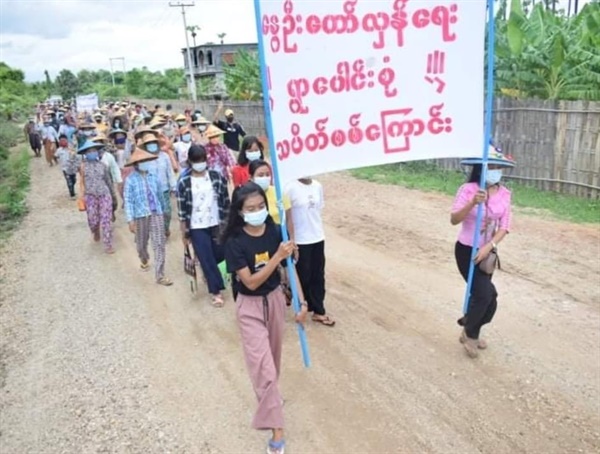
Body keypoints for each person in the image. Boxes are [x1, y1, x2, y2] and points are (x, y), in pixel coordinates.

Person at [222, 182, 308, 454]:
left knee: (273, 360)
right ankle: (277, 430)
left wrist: (301, 301)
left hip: (274, 303)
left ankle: (270, 401)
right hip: (249, 307)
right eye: (250, 208)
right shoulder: (233, 242)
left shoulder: (274, 231)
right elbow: (250, 282)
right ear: (240, 211)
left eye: (261, 207)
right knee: (264, 369)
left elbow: (289, 267)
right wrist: (276, 257)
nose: (257, 211)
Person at [450, 146, 515, 358]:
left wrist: (489, 246)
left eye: (499, 166)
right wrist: (472, 203)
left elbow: (505, 226)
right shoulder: (468, 189)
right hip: (466, 249)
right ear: (482, 167)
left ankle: (469, 323)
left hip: (487, 253)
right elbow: (454, 219)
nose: (496, 170)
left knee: (488, 296)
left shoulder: (505, 194)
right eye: (492, 166)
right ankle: (471, 334)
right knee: (484, 293)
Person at [177, 145, 231, 306]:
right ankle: (216, 291)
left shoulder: (216, 176)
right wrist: (184, 234)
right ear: (191, 162)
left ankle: (209, 275)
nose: (200, 163)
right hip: (196, 226)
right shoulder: (184, 182)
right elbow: (182, 210)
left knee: (219, 254)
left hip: (216, 222)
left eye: (202, 160)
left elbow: (225, 200)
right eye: (196, 161)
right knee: (205, 256)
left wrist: (229, 223)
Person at [286, 177, 335, 326]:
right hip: (300, 239)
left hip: (317, 237)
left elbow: (318, 209)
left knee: (318, 274)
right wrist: (292, 239)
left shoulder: (318, 186)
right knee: (303, 275)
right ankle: (300, 303)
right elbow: (287, 218)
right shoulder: (290, 188)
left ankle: (319, 310)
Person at [124, 147, 173, 286]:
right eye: (142, 161)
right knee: (141, 244)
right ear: (136, 164)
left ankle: (160, 275)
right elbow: (128, 200)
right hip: (140, 215)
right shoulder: (131, 180)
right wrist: (130, 220)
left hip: (156, 213)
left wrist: (163, 211)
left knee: (159, 244)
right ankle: (144, 258)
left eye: (146, 160)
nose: (145, 163)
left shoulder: (154, 176)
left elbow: (159, 195)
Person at [78, 141, 115, 254]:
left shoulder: (103, 166)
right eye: (89, 151)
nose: (92, 153)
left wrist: (113, 196)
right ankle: (95, 230)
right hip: (90, 196)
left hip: (104, 194)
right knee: (92, 220)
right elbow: (78, 178)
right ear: (85, 154)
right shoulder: (83, 166)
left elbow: (109, 181)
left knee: (106, 220)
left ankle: (108, 244)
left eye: (94, 151)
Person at [139, 133, 176, 237]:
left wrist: (173, 186)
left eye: (153, 143)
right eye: (149, 144)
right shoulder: (143, 159)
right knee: (154, 212)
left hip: (164, 189)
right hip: (151, 190)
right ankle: (158, 231)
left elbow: (170, 172)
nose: (151, 145)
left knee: (167, 211)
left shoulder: (164, 157)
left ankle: (166, 227)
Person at [54, 134, 81, 199]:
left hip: (72, 168)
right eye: (61, 141)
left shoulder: (71, 149)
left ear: (67, 140)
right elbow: (55, 156)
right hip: (65, 169)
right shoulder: (59, 150)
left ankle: (72, 189)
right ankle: (72, 194)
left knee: (74, 180)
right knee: (69, 181)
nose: (63, 142)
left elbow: (77, 157)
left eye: (64, 140)